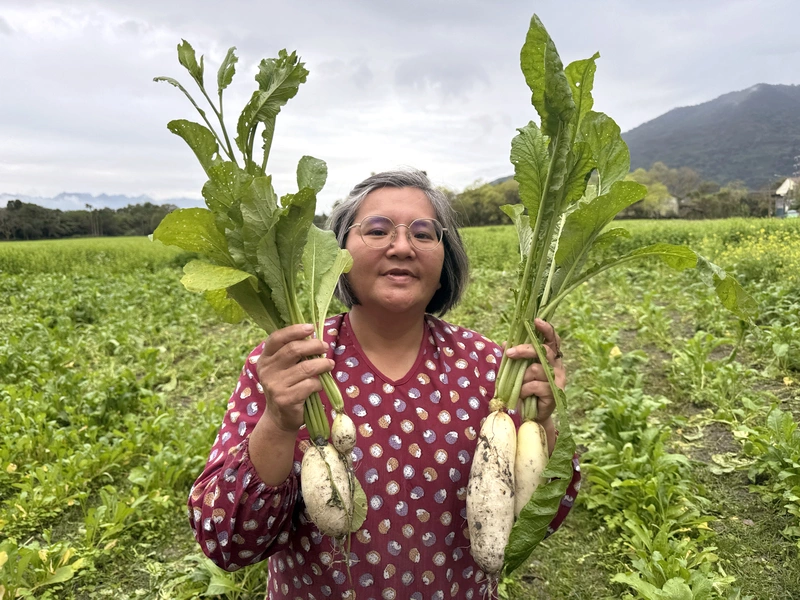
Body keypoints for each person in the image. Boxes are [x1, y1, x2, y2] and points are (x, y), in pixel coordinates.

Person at [188, 169, 581, 600]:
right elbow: (226, 539)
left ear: (445, 257)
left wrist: (543, 424)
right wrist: (279, 422)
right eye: (377, 230)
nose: (401, 246)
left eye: (424, 233)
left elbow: (541, 518)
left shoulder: (489, 366)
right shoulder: (291, 366)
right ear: (339, 254)